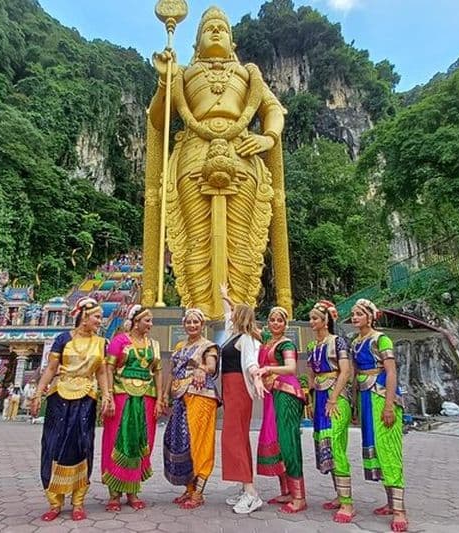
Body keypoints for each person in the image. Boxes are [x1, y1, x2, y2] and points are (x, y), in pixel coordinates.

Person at [142, 5, 292, 318]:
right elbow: (158, 119)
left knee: (241, 240)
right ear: (196, 44)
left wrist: (268, 138)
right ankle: (196, 316)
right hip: (194, 156)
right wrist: (164, 82)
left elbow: (273, 110)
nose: (215, 31)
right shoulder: (184, 75)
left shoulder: (247, 74)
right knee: (196, 239)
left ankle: (239, 318)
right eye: (208, 28)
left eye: (221, 28)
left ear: (232, 42)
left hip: (243, 153)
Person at [30, 298, 113, 522]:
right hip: (60, 395)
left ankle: (78, 501)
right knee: (53, 444)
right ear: (84, 317)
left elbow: (102, 372)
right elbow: (51, 369)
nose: (100, 321)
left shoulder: (101, 342)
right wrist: (38, 393)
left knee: (82, 444)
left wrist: (107, 395)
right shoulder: (63, 339)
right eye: (97, 316)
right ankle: (54, 501)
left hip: (86, 397)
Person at [351, 299, 408, 532]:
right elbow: (355, 375)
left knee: (388, 449)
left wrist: (388, 406)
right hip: (365, 396)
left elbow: (391, 371)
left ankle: (400, 510)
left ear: (370, 316)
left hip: (382, 393)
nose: (354, 318)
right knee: (375, 446)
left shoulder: (381, 339)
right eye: (353, 314)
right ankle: (390, 502)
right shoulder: (356, 342)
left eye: (359, 314)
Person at [101, 305, 165, 512]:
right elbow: (108, 368)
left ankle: (133, 491)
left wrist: (160, 398)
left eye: (152, 320)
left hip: (146, 396)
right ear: (136, 321)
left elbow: (157, 372)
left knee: (141, 440)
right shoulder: (120, 340)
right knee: (116, 439)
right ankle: (114, 493)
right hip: (122, 395)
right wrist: (108, 395)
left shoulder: (153, 344)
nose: (151, 324)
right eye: (147, 320)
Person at [162, 308, 220, 509]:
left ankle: (198, 492)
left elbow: (211, 367)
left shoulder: (207, 346)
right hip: (179, 397)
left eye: (196, 322)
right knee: (182, 442)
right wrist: (164, 395)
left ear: (202, 324)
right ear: (184, 324)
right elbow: (171, 372)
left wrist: (201, 368)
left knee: (200, 441)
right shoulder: (180, 346)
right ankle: (188, 488)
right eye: (189, 322)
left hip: (201, 395)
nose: (192, 325)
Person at [218, 284, 266, 514]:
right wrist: (226, 297)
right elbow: (228, 317)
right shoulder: (233, 335)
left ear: (242, 317)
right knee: (237, 438)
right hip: (229, 389)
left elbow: (250, 362)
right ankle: (245, 486)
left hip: (238, 390)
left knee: (234, 437)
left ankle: (251, 493)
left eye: (236, 313)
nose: (231, 315)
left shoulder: (246, 338)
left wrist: (257, 378)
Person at [255, 307, 307, 513]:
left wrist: (268, 368)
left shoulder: (286, 344)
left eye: (280, 320)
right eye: (272, 320)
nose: (276, 323)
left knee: (288, 442)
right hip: (272, 395)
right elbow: (247, 325)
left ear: (285, 324)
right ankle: (286, 491)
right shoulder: (268, 339)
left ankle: (299, 497)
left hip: (287, 394)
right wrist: (228, 300)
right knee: (275, 440)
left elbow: (291, 368)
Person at [308, 300, 355, 523]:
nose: (311, 322)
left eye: (315, 318)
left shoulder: (338, 342)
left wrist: (334, 398)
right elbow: (310, 373)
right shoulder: (313, 346)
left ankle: (347, 504)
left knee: (336, 444)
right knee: (324, 442)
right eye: (310, 318)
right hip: (319, 398)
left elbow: (345, 371)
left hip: (336, 397)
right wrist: (309, 398)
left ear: (326, 321)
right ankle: (339, 495)